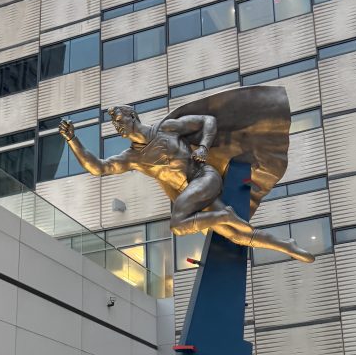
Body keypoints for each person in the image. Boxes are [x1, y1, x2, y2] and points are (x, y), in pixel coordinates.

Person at [59, 104, 315, 262]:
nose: (117, 127)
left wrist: (203, 146)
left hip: (205, 178)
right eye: (114, 124)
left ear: (133, 116)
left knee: (177, 225)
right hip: (190, 197)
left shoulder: (167, 128)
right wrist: (73, 140)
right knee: (237, 235)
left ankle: (224, 215)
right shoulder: (132, 158)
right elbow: (98, 167)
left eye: (119, 120)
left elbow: (208, 121)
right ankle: (286, 246)